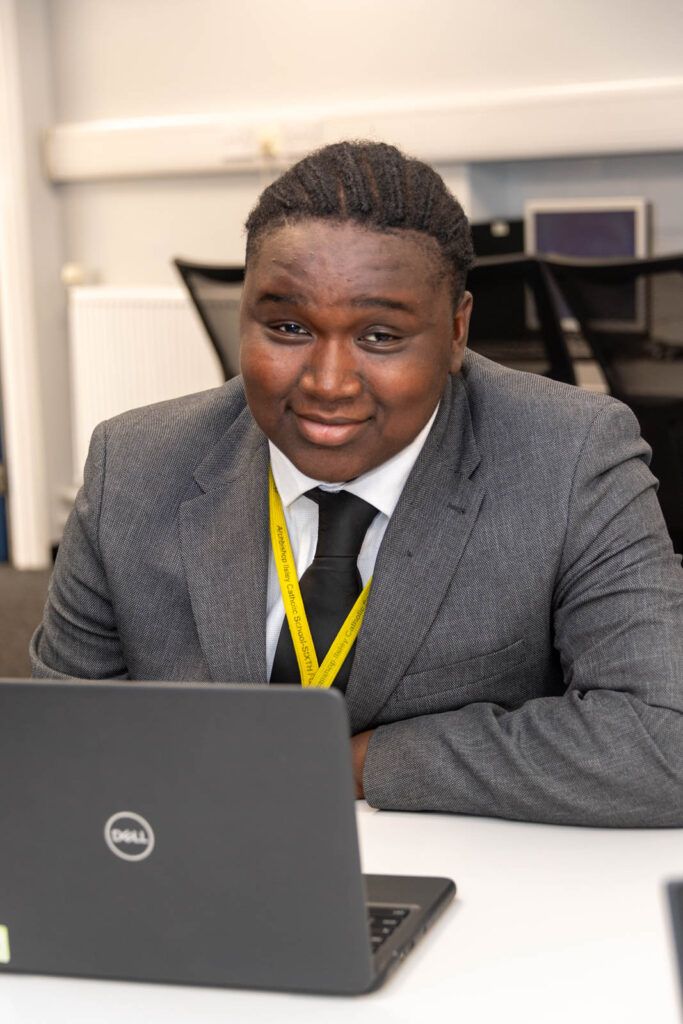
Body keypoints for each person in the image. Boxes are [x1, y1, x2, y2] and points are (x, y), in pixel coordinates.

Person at [31, 141, 683, 826]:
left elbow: (663, 738)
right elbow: (60, 744)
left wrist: (357, 763)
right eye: (286, 327)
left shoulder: (569, 457)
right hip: (198, 868)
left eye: (379, 336)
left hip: (468, 885)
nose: (327, 384)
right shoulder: (133, 466)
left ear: (456, 330)